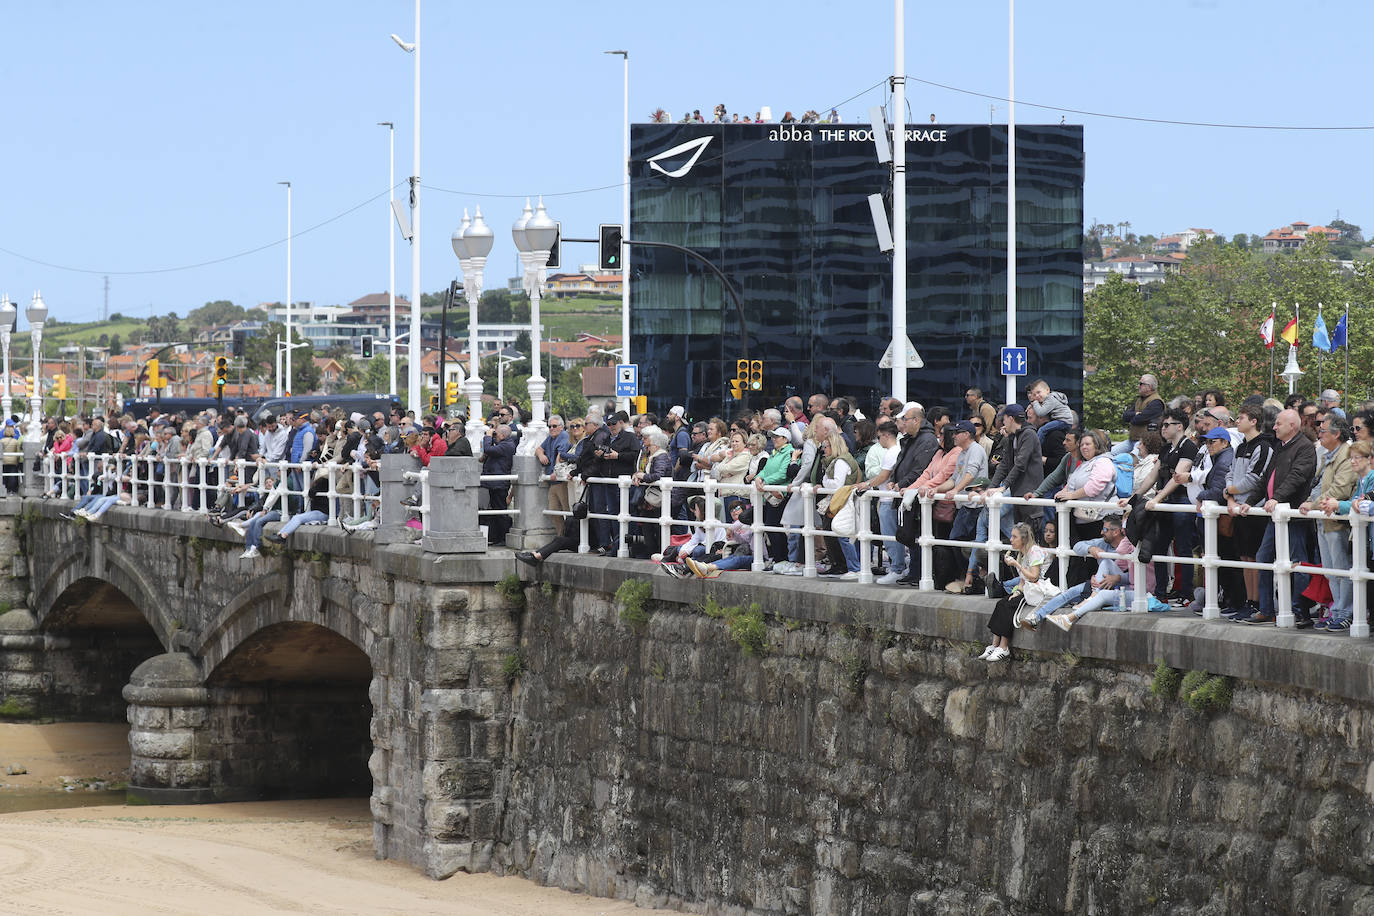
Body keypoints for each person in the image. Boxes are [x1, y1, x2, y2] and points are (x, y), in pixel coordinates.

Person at [1239, 408, 1317, 626]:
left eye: (1278, 424)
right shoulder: (1280, 447)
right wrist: (1250, 501)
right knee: (1263, 558)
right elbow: (1265, 479)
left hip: (1293, 516)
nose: (1274, 427)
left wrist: (1278, 498)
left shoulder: (1305, 448)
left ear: (1292, 425)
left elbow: (1298, 477)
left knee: (1297, 563)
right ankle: (1266, 609)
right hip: (1276, 516)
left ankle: (1301, 611)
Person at [1303, 415, 1355, 630]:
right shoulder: (1327, 455)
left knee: (1342, 568)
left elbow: (1340, 489)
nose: (1319, 434)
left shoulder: (1347, 455)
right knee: (1331, 570)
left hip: (1337, 521)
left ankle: (1346, 613)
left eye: (1323, 430)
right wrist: (1309, 501)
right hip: (1323, 519)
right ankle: (1336, 611)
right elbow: (1319, 485)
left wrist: (1312, 504)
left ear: (1337, 434)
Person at [981, 522, 1053, 663]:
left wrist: (1016, 564)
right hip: (1028, 588)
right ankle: (995, 644)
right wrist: (1018, 591)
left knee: (1009, 606)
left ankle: (1004, 646)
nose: (1011, 540)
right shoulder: (1023, 553)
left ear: (1024, 539)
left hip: (1039, 588)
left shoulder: (1034, 551)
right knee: (1002, 603)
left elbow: (1033, 576)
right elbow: (1022, 580)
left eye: (1014, 537)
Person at [480, 423, 517, 546]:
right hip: (495, 483)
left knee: (501, 511)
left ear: (502, 434)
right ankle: (497, 537)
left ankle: (503, 538)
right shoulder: (503, 444)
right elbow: (489, 452)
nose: (494, 436)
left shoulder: (507, 445)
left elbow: (489, 449)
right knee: (496, 511)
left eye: (496, 434)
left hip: (499, 484)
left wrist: (488, 437)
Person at [1, 422, 22, 494]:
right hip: (13, 460)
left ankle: (5, 488)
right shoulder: (15, 441)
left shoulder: (1, 441)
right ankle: (12, 490)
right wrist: (17, 459)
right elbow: (18, 451)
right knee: (12, 475)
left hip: (4, 460)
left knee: (4, 475)